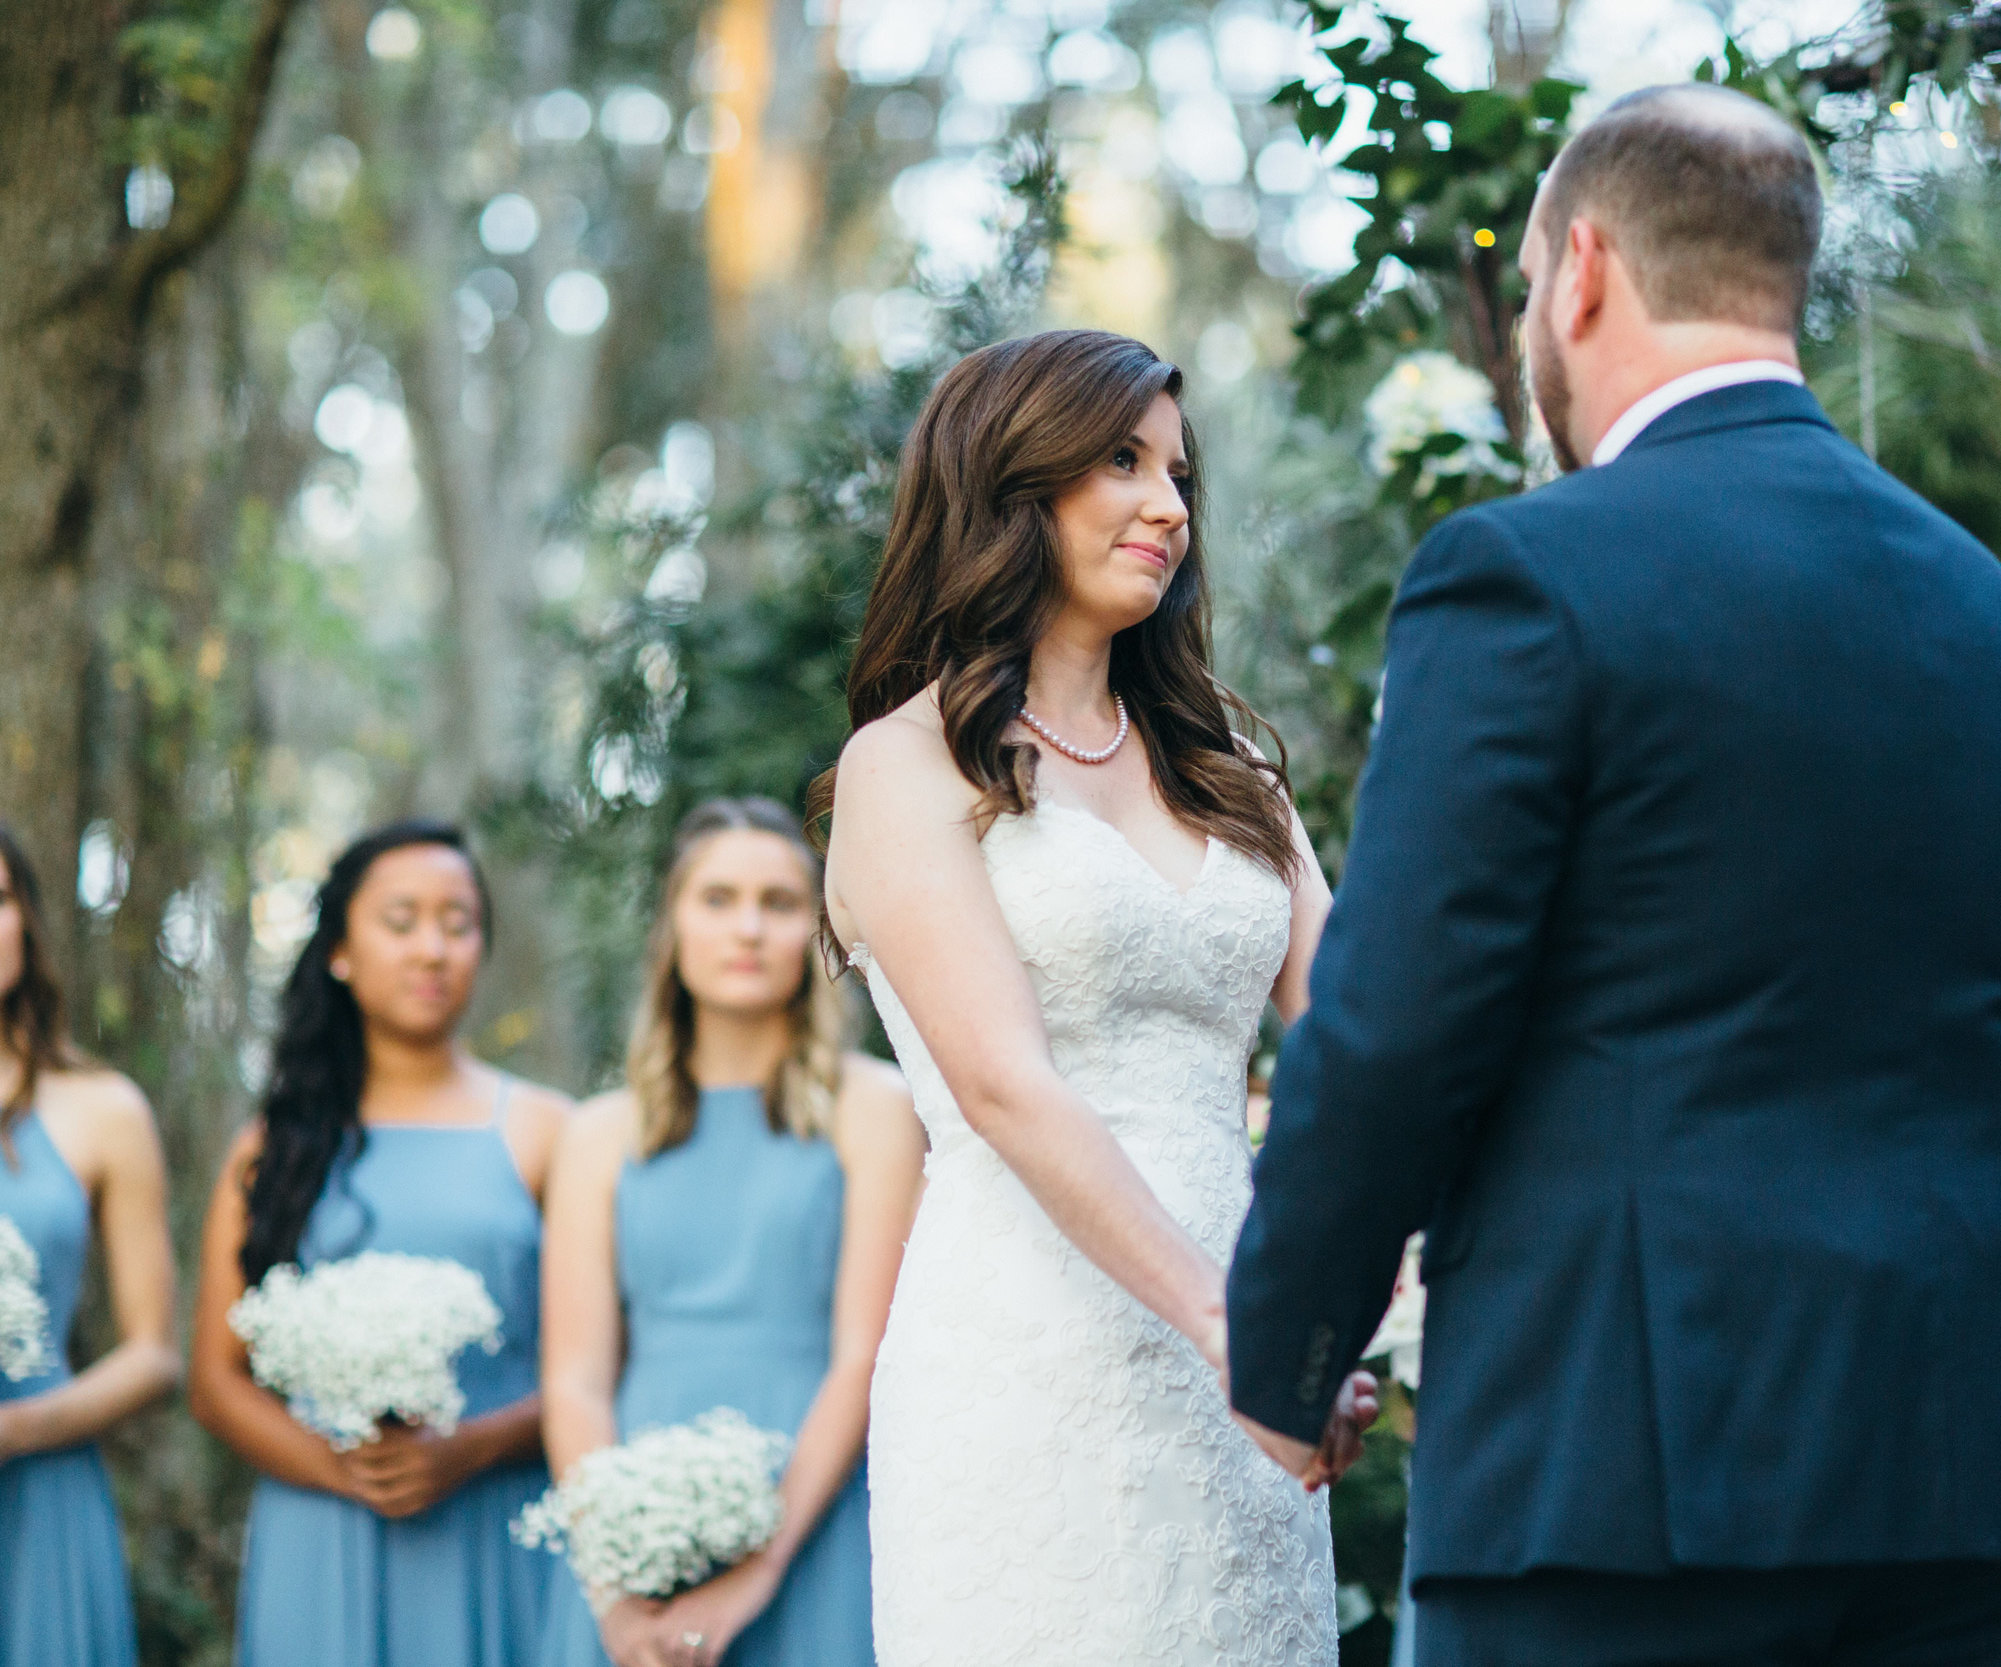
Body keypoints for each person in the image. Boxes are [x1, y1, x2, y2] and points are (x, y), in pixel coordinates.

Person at [1225, 84, 2001, 1667]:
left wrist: (1288, 1352)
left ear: (1583, 271)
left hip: (1624, 1479)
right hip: (1952, 1474)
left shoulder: (1528, 576)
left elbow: (1398, 1025)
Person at [823, 327, 1376, 1666]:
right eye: (1122, 460)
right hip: (1031, 1352)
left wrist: (1341, 1302)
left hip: (1250, 1368)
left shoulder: (1228, 761)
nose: (1170, 505)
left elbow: (1364, 1030)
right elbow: (1007, 1083)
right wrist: (1224, 1322)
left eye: (1180, 472)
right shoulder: (908, 764)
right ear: (1012, 480)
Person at [538, 797, 921, 1667]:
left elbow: (865, 1355)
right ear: (671, 926)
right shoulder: (598, 1133)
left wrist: (758, 1567)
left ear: (816, 930)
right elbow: (575, 1379)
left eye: (780, 903)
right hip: (634, 1518)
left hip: (819, 1508)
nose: (747, 927)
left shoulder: (876, 1110)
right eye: (717, 899)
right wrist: (612, 1577)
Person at [191, 820, 570, 1667]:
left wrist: (470, 1448)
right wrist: (344, 1468)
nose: (433, 949)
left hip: (494, 1523)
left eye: (458, 922)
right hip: (318, 1529)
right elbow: (216, 1379)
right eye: (401, 921)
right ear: (340, 950)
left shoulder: (551, 1133)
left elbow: (598, 1359)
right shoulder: (272, 1148)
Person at [0, 825, 180, 1667]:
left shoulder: (104, 1109)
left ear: (27, 922)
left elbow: (154, 1355)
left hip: (42, 1496)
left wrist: (17, 1426)